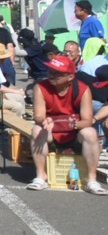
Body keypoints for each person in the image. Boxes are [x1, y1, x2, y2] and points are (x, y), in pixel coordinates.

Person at [26, 55, 105, 193]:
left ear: (70, 77)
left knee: (91, 133)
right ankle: (40, 176)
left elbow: (87, 120)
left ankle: (91, 179)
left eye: (57, 73)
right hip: (51, 131)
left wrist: (75, 125)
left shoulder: (83, 89)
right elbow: (38, 115)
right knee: (37, 130)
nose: (51, 75)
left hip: (74, 133)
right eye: (50, 71)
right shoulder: (40, 87)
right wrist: (44, 121)